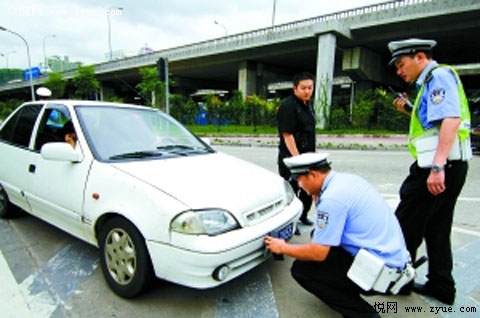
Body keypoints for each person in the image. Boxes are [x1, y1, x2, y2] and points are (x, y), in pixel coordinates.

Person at [265, 152, 411, 318]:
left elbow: (318, 253)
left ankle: (362, 313)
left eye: (299, 180)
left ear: (312, 174)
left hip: (378, 272)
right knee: (317, 235)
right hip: (394, 262)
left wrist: (282, 247)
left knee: (302, 270)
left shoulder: (332, 200)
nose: (299, 185)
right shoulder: (347, 180)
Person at [387, 38, 472, 305]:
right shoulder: (431, 82)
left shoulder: (438, 76)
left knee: (405, 222)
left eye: (401, 64)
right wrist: (409, 110)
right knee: (437, 226)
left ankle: (399, 282)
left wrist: (437, 167)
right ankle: (442, 286)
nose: (399, 72)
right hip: (451, 165)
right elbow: (433, 122)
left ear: (420, 57)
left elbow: (450, 119)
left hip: (437, 167)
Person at [277, 72, 316, 228]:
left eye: (310, 87)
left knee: (308, 190)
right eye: (303, 88)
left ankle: (303, 215)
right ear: (295, 89)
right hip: (292, 159)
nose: (307, 91)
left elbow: (310, 132)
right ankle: (290, 223)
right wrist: (298, 160)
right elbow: (288, 136)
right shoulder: (288, 107)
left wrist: (314, 153)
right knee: (292, 193)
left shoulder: (308, 105)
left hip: (308, 157)